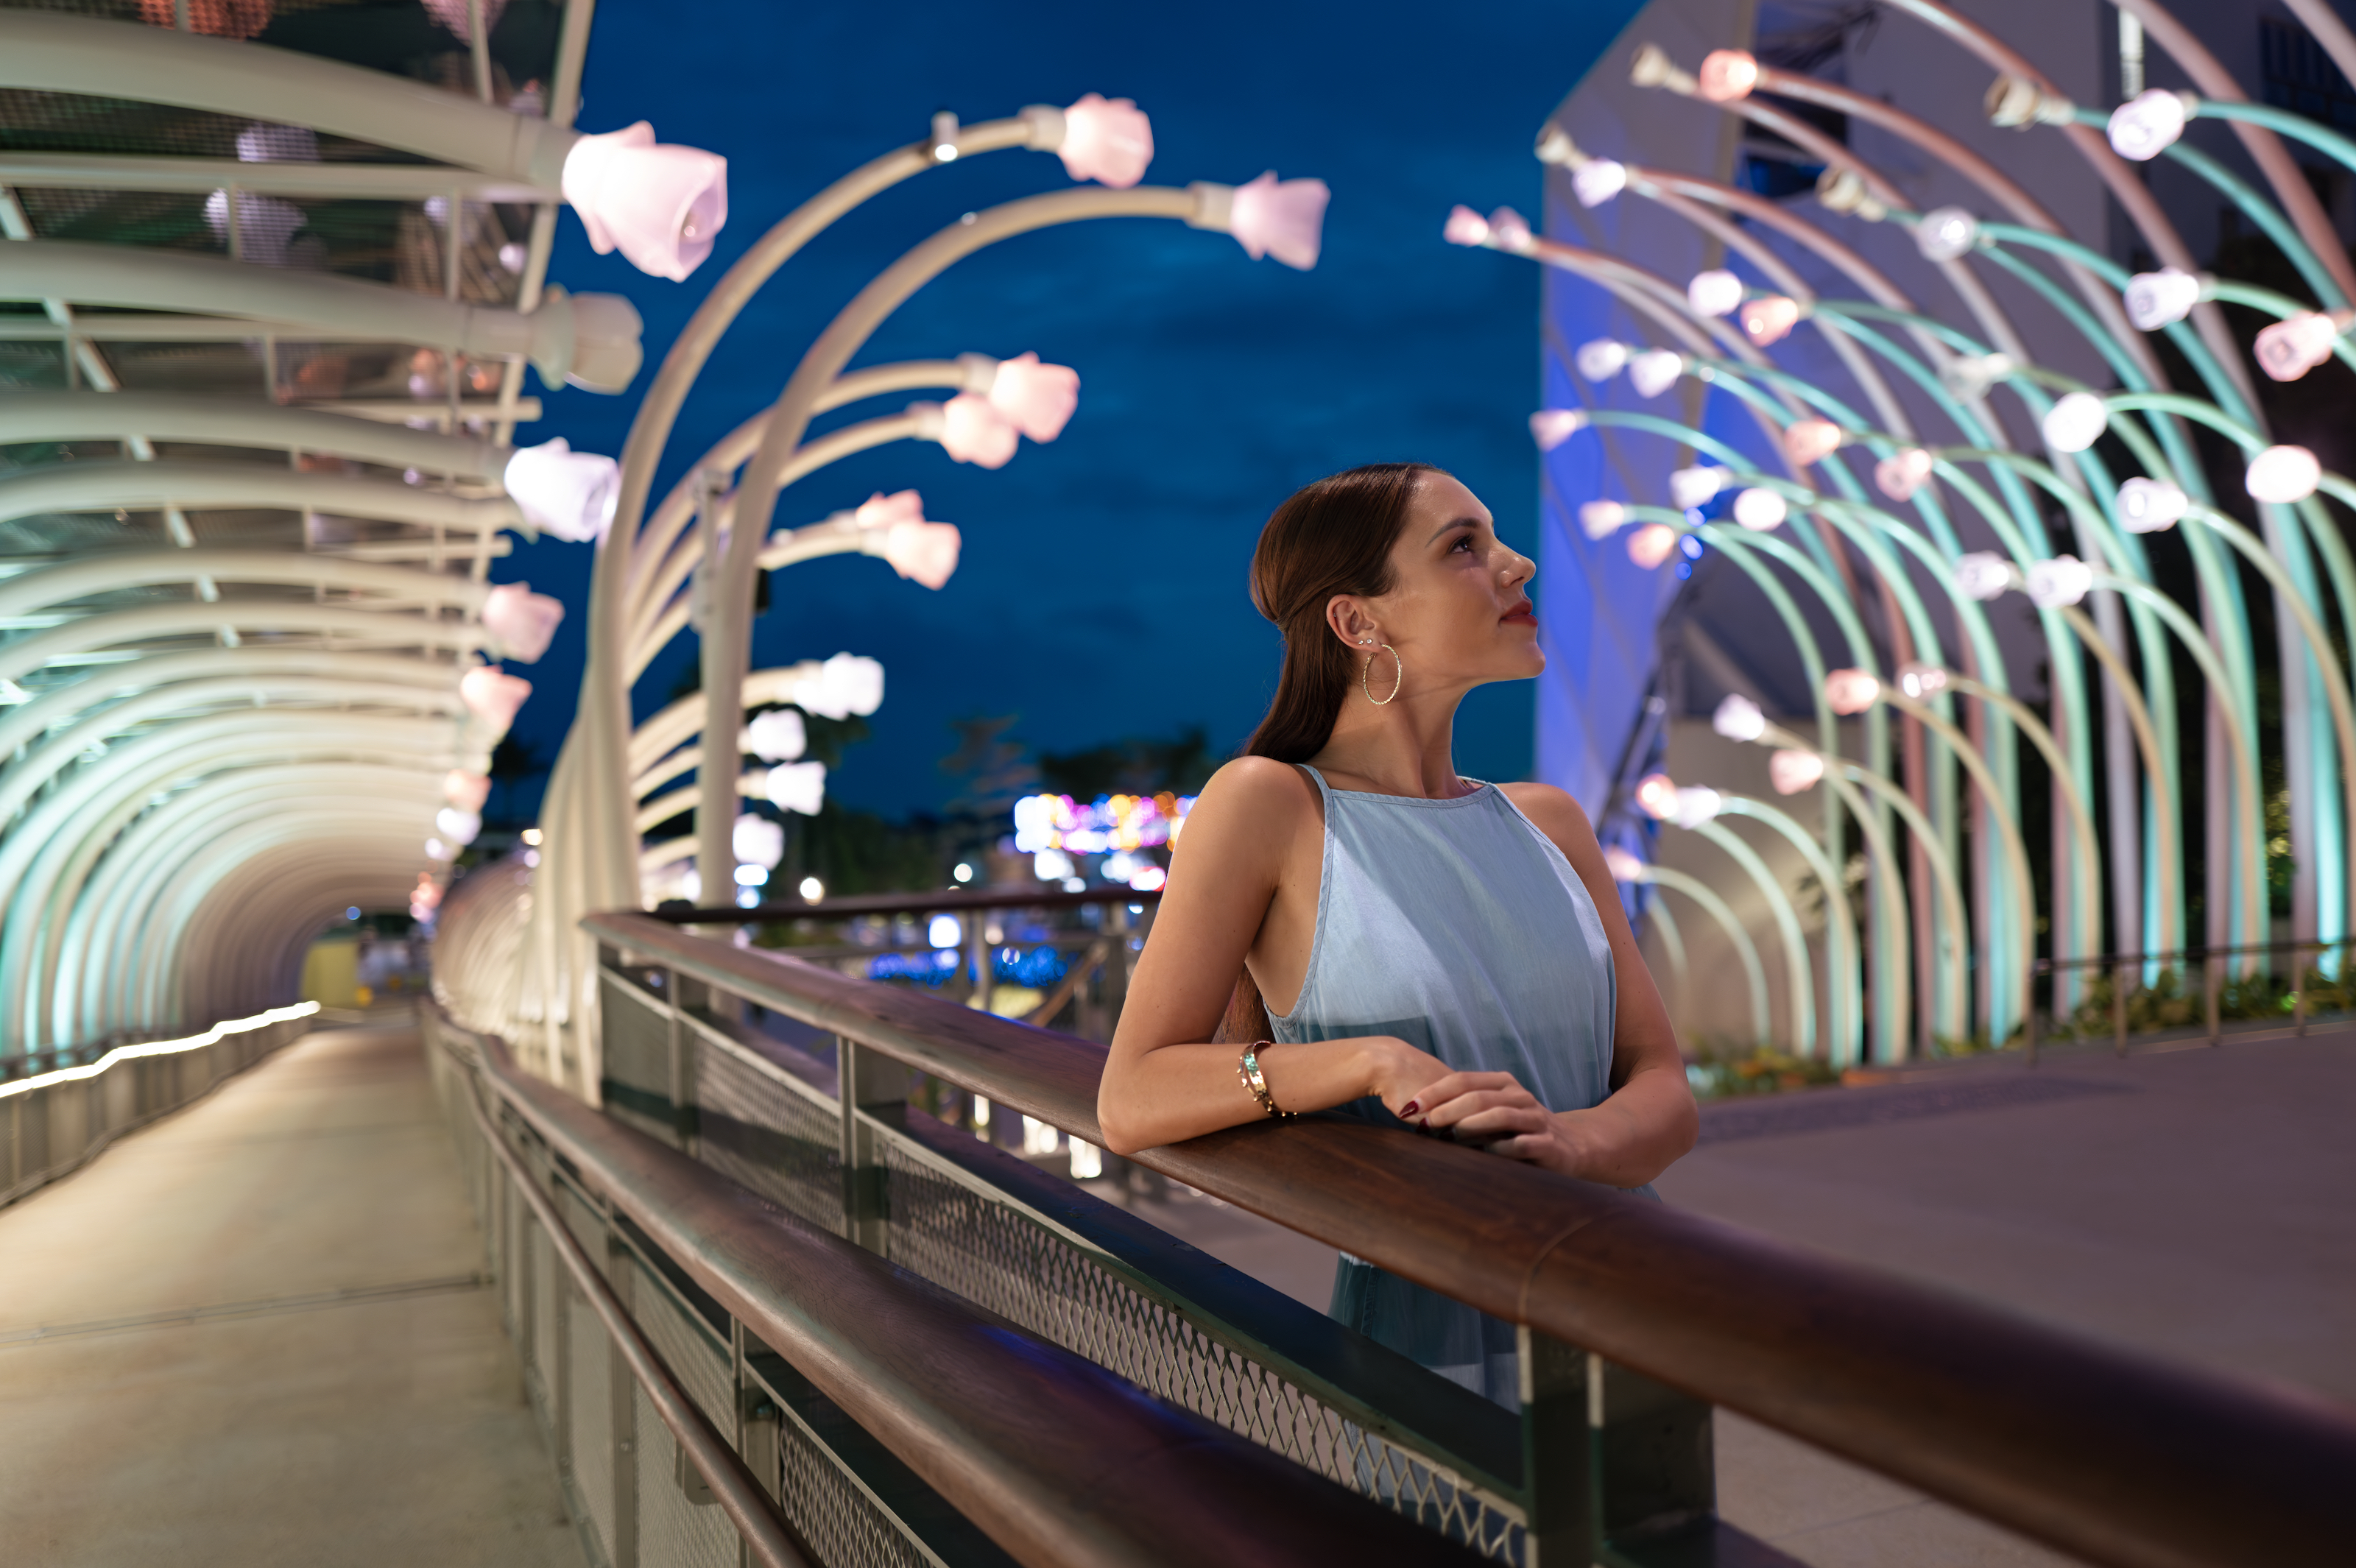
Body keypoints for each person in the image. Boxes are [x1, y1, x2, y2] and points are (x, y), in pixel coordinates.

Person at [1096, 462, 1696, 1405]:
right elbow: (1131, 1095)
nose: (1517, 564)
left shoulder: (1551, 824)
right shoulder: (1269, 804)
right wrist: (1366, 1062)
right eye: (1464, 547)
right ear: (1357, 621)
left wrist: (1569, 1149)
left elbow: (1663, 1087)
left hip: (1624, 1300)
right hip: (1432, 1335)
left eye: (1494, 539)